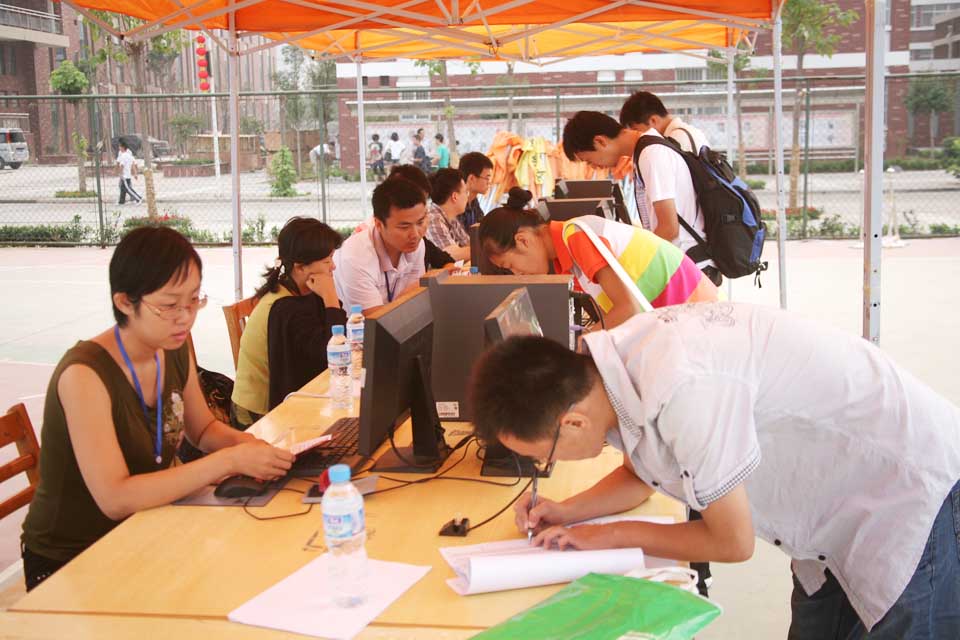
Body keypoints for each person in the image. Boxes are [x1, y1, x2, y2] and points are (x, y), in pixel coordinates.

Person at [470, 303, 960, 640]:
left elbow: (732, 542)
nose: (549, 466)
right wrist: (567, 511)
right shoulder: (611, 373)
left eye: (546, 457)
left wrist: (607, 536)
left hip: (907, 492)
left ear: (572, 422)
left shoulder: (681, 388)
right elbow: (644, 476)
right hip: (835, 505)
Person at [20, 227, 294, 591]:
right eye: (168, 305)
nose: (185, 317)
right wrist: (228, 462)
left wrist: (250, 447)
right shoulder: (84, 375)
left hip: (149, 524)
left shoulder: (172, 347)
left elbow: (203, 430)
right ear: (124, 302)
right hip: (75, 557)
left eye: (194, 300)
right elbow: (115, 498)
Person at [478, 195, 717, 328]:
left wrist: (584, 342)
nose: (517, 274)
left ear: (523, 240)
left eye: (510, 266)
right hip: (683, 318)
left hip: (698, 316)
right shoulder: (569, 257)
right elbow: (612, 315)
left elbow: (627, 309)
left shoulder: (576, 237)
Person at [562, 111, 718, 285]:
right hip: (685, 265)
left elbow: (669, 228)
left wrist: (634, 265)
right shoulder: (645, 151)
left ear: (600, 141)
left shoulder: (651, 154)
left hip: (690, 269)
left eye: (589, 160)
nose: (594, 167)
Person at [232, 218, 346, 425]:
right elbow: (329, 353)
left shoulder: (301, 290)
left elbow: (336, 338)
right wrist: (330, 297)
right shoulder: (283, 307)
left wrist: (328, 298)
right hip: (259, 414)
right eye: (327, 261)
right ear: (300, 267)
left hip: (289, 395)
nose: (333, 266)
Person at [334, 177, 428, 314]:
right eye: (404, 227)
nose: (415, 234)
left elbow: (414, 299)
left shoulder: (417, 244)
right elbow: (375, 319)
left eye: (420, 222)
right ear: (378, 224)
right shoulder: (355, 257)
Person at [619, 91, 709, 155]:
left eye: (637, 130)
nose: (638, 137)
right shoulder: (687, 131)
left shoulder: (675, 140)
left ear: (653, 120)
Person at [425, 168, 470, 262]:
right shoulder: (433, 218)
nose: (467, 196)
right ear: (455, 196)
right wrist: (486, 250)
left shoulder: (451, 217)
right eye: (466, 192)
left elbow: (468, 243)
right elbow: (451, 255)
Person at [457, 151, 494, 229]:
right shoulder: (456, 203)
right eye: (487, 178)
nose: (489, 182)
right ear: (472, 178)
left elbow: (483, 223)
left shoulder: (473, 202)